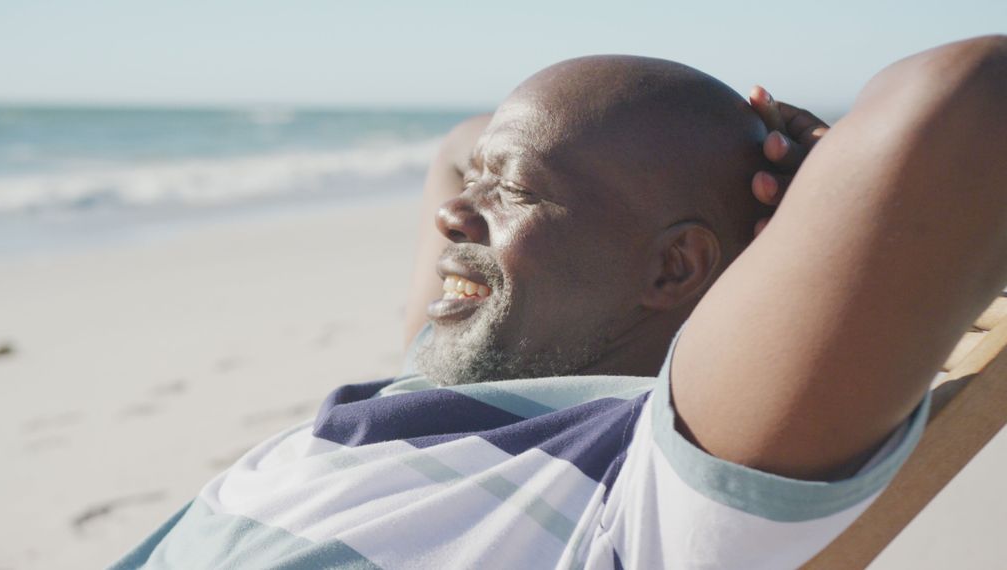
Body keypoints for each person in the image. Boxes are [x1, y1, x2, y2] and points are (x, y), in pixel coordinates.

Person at [112, 37, 1007, 569]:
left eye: (514, 192)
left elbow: (972, 103)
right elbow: (468, 143)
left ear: (673, 272)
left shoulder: (647, 491)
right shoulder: (429, 389)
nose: (451, 212)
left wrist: (830, 179)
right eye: (478, 185)